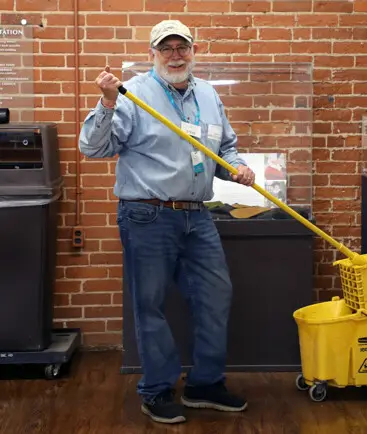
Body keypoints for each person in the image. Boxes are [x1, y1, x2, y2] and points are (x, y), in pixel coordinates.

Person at [78, 19, 255, 425]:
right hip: (147, 215)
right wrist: (107, 102)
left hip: (198, 216)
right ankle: (156, 389)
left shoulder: (208, 94)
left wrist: (238, 168)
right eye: (167, 48)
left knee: (216, 297)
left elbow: (226, 146)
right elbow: (93, 146)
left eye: (182, 47)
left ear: (193, 51)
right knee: (150, 304)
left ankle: (205, 384)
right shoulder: (133, 93)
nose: (176, 55)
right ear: (152, 53)